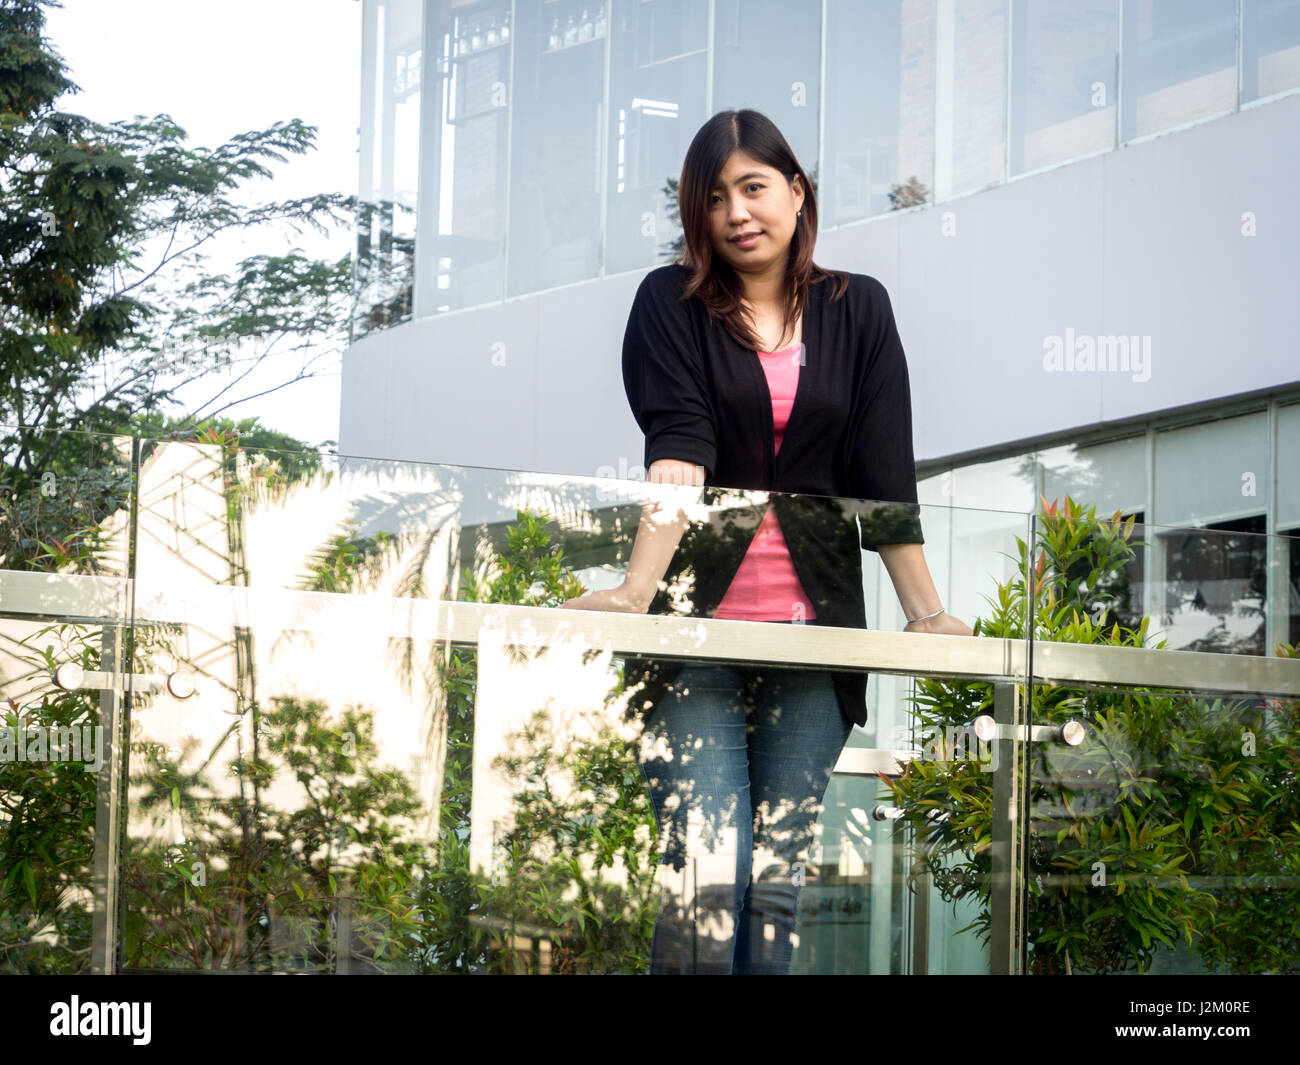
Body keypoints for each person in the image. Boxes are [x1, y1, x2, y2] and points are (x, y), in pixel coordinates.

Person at [562, 109, 971, 974]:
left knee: (776, 889)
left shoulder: (859, 309)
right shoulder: (669, 305)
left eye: (754, 188)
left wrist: (925, 611)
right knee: (706, 882)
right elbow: (679, 450)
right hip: (693, 636)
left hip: (813, 639)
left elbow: (882, 474)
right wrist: (637, 593)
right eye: (715, 198)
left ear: (796, 191)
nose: (737, 213)